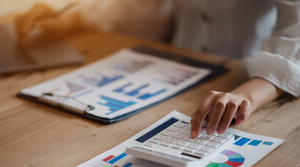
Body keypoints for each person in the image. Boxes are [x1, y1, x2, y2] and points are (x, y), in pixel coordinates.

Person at [16, 0, 300, 138]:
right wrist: (72, 20)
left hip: (248, 82)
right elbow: (146, 6)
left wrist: (246, 97)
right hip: (171, 73)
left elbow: (297, 31)